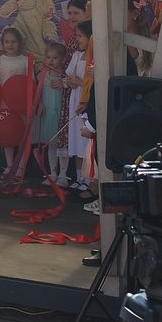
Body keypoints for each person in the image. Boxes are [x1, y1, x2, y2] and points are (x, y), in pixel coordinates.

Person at [0, 26, 34, 175]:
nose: (10, 44)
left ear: (20, 43)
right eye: (7, 41)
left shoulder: (26, 61)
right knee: (8, 132)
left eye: (14, 41)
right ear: (2, 43)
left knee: (21, 133)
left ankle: (20, 167)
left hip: (20, 104)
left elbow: (31, 83)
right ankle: (9, 166)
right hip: (4, 104)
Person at [62, 19, 92, 193]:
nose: (78, 39)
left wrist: (80, 82)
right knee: (76, 139)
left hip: (87, 102)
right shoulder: (76, 55)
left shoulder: (95, 58)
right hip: (75, 101)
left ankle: (88, 178)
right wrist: (70, 82)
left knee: (86, 141)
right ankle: (79, 177)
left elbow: (93, 82)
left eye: (81, 36)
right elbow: (68, 78)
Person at [36, 40, 68, 180]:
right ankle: (53, 173)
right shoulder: (43, 75)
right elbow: (38, 92)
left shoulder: (65, 76)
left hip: (61, 115)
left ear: (63, 59)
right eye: (48, 57)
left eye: (55, 58)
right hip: (48, 114)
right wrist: (40, 104)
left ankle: (63, 174)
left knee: (62, 146)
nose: (51, 61)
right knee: (51, 145)